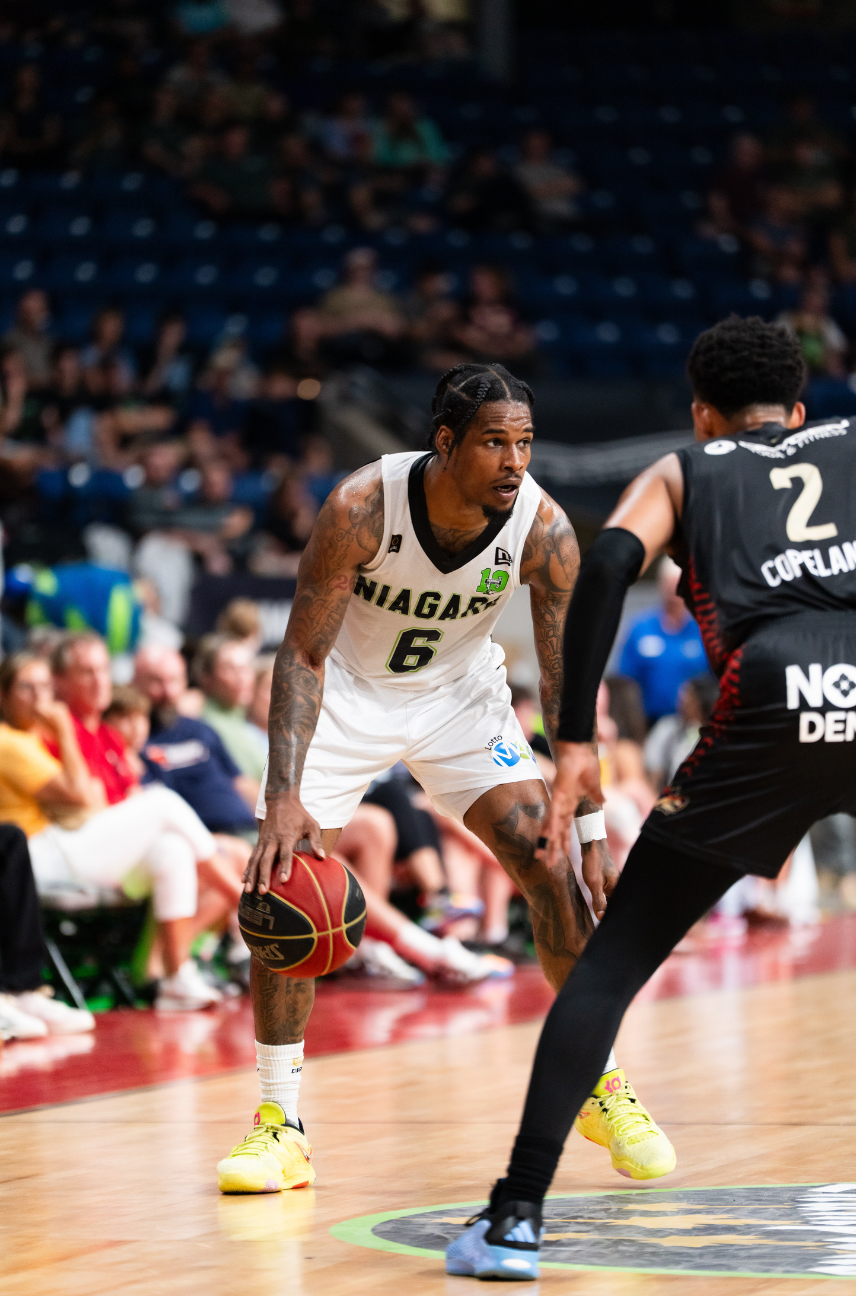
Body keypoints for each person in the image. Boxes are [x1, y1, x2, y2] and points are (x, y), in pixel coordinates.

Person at [448, 314, 856, 1279]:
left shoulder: (684, 469)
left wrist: (575, 741)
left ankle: (515, 1220)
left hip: (770, 695)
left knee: (608, 969)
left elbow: (607, 565)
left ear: (702, 413)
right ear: (799, 410)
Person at [216, 360, 674, 1195]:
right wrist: (282, 795)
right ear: (445, 442)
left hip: (460, 700)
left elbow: (566, 682)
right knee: (286, 883)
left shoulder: (544, 530)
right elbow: (304, 653)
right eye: (495, 443)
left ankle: (599, 1083)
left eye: (525, 443)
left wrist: (590, 831)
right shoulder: (363, 506)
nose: (515, 461)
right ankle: (280, 1123)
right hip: (346, 696)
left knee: (548, 865)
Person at [0, 650, 224, 1011]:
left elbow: (90, 799)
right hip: (35, 860)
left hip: (61, 848)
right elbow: (80, 795)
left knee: (172, 849)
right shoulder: (8, 741)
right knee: (162, 802)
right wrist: (64, 731)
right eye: (27, 687)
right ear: (3, 695)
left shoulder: (32, 737)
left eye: (43, 687)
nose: (39, 698)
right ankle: (243, 897)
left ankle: (177, 977)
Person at [133, 645, 260, 838]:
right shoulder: (135, 740)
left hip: (249, 829)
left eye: (174, 680)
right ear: (135, 682)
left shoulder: (201, 729)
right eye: (157, 681)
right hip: (202, 839)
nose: (168, 692)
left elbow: (239, 781)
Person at [618, 555, 706, 723]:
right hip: (649, 721)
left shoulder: (701, 630)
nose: (674, 591)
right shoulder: (641, 629)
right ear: (661, 585)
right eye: (669, 584)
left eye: (678, 584)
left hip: (695, 722)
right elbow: (625, 681)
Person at [196, 635, 268, 785]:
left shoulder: (245, 718)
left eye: (246, 668)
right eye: (231, 669)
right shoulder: (210, 725)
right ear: (207, 677)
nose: (242, 677)